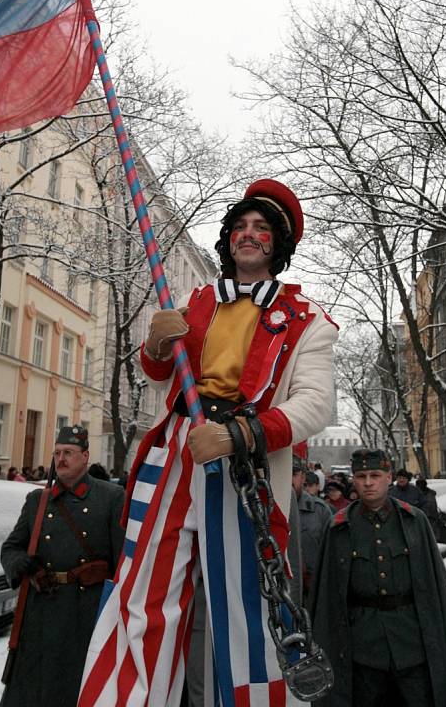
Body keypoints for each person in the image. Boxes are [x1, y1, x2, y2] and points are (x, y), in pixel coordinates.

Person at [80, 179, 338, 707]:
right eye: (240, 226)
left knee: (248, 608)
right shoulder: (197, 302)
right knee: (145, 593)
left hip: (245, 463)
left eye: (261, 228)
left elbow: (315, 405)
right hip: (178, 451)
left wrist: (238, 434)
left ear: (278, 244)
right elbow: (159, 375)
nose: (248, 235)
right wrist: (154, 343)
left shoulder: (309, 321)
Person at [309, 448, 446, 707]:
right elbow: (328, 597)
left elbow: (434, 587)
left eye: (375, 474)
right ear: (353, 479)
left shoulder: (413, 521)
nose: (368, 482)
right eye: (361, 475)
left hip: (411, 646)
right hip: (364, 650)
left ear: (388, 477)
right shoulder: (339, 527)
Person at [0, 425, 125, 707]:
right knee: (35, 688)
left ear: (85, 457)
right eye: (57, 453)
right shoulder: (37, 500)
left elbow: (122, 564)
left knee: (77, 687)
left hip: (85, 613)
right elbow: (10, 548)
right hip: (42, 610)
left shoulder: (111, 498)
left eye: (68, 452)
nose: (61, 459)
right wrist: (21, 564)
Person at [290, 458, 331, 600]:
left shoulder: (320, 511)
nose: (288, 480)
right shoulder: (264, 511)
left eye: (293, 474)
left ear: (303, 477)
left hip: (314, 594)